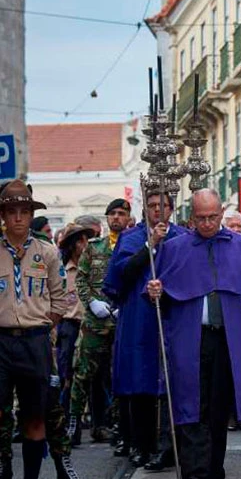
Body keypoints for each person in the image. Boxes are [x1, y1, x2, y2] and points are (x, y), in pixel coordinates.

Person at [146, 189, 241, 478]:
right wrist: (156, 292)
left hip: (230, 341)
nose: (206, 224)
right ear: (191, 217)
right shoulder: (173, 248)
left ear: (221, 213)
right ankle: (195, 473)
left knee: (218, 412)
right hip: (189, 340)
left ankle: (213, 469)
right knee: (190, 407)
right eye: (200, 218)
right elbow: (164, 299)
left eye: (212, 217)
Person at [103, 192, 189, 467]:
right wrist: (150, 245)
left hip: (172, 317)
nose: (157, 211)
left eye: (162, 207)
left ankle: (170, 446)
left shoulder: (183, 237)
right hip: (139, 319)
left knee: (172, 383)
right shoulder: (131, 237)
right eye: (152, 206)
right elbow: (121, 274)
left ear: (172, 210)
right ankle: (140, 444)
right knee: (139, 382)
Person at [0, 180, 67, 479]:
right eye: (11, 211)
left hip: (34, 342)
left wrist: (42, 329)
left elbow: (60, 297)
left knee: (35, 416)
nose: (17, 217)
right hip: (0, 342)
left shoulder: (47, 252)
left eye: (24, 211)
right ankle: (4, 468)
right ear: (3, 215)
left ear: (30, 215)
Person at [71, 199, 131, 451]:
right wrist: (92, 302)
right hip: (94, 324)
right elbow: (81, 280)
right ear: (107, 218)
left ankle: (117, 425)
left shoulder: (134, 246)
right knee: (82, 374)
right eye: (113, 214)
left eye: (122, 214)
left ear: (128, 218)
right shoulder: (94, 248)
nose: (116, 218)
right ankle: (73, 422)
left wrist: (123, 306)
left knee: (119, 376)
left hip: (121, 323)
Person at [55, 224, 96, 417]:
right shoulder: (62, 271)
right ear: (72, 245)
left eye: (86, 239)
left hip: (91, 326)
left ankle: (98, 421)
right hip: (69, 327)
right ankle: (69, 422)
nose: (85, 244)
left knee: (93, 376)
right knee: (68, 376)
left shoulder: (93, 268)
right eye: (80, 240)